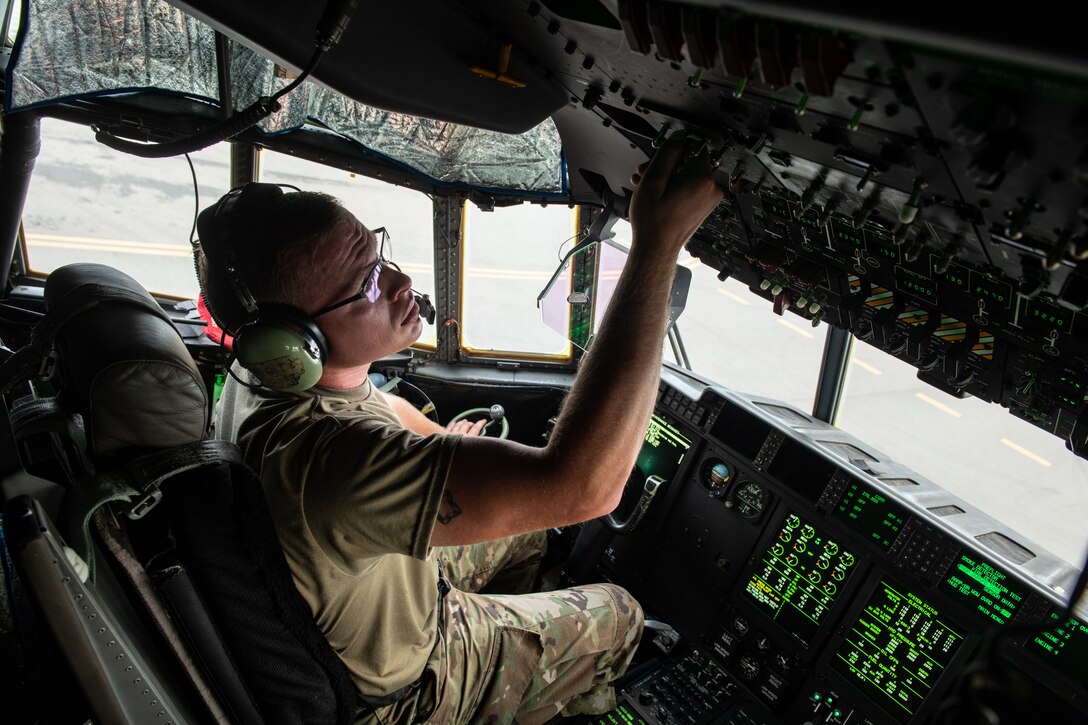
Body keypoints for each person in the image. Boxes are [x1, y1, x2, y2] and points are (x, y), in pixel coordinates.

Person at [195, 132, 722, 723]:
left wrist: (440, 443)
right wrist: (658, 246)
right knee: (619, 612)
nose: (398, 283)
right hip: (407, 691)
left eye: (379, 254)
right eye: (366, 285)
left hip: (383, 592)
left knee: (526, 532)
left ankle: (521, 660)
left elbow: (383, 412)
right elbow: (585, 487)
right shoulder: (334, 462)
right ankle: (519, 683)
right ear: (297, 343)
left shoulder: (265, 375)